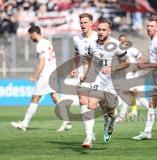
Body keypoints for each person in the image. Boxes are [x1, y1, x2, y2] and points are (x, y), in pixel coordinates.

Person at [81, 18, 129, 148]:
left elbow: (127, 62)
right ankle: (88, 138)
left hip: (112, 83)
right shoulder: (92, 44)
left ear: (109, 31)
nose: (101, 32)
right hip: (97, 80)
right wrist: (85, 73)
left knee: (110, 110)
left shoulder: (116, 45)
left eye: (104, 30)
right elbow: (88, 58)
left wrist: (112, 68)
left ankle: (111, 120)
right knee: (90, 105)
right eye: (99, 29)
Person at [11, 26, 68, 131]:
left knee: (35, 98)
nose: (30, 38)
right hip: (53, 73)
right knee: (55, 97)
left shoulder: (40, 45)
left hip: (46, 75)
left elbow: (42, 63)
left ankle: (24, 124)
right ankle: (67, 121)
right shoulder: (47, 42)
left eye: (30, 35)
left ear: (34, 33)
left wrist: (34, 76)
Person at [66, 13, 98, 147]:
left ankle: (112, 116)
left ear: (92, 23)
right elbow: (76, 55)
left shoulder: (98, 37)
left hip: (97, 73)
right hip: (82, 72)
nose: (83, 25)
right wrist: (74, 68)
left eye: (85, 22)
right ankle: (88, 137)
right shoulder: (76, 39)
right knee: (83, 101)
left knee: (96, 105)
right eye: (81, 23)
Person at [116, 33, 149, 123]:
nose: (122, 42)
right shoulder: (117, 52)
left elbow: (141, 58)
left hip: (133, 76)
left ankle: (121, 116)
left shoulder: (132, 50)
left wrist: (137, 67)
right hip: (124, 76)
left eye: (124, 41)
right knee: (136, 96)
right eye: (121, 41)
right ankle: (151, 110)